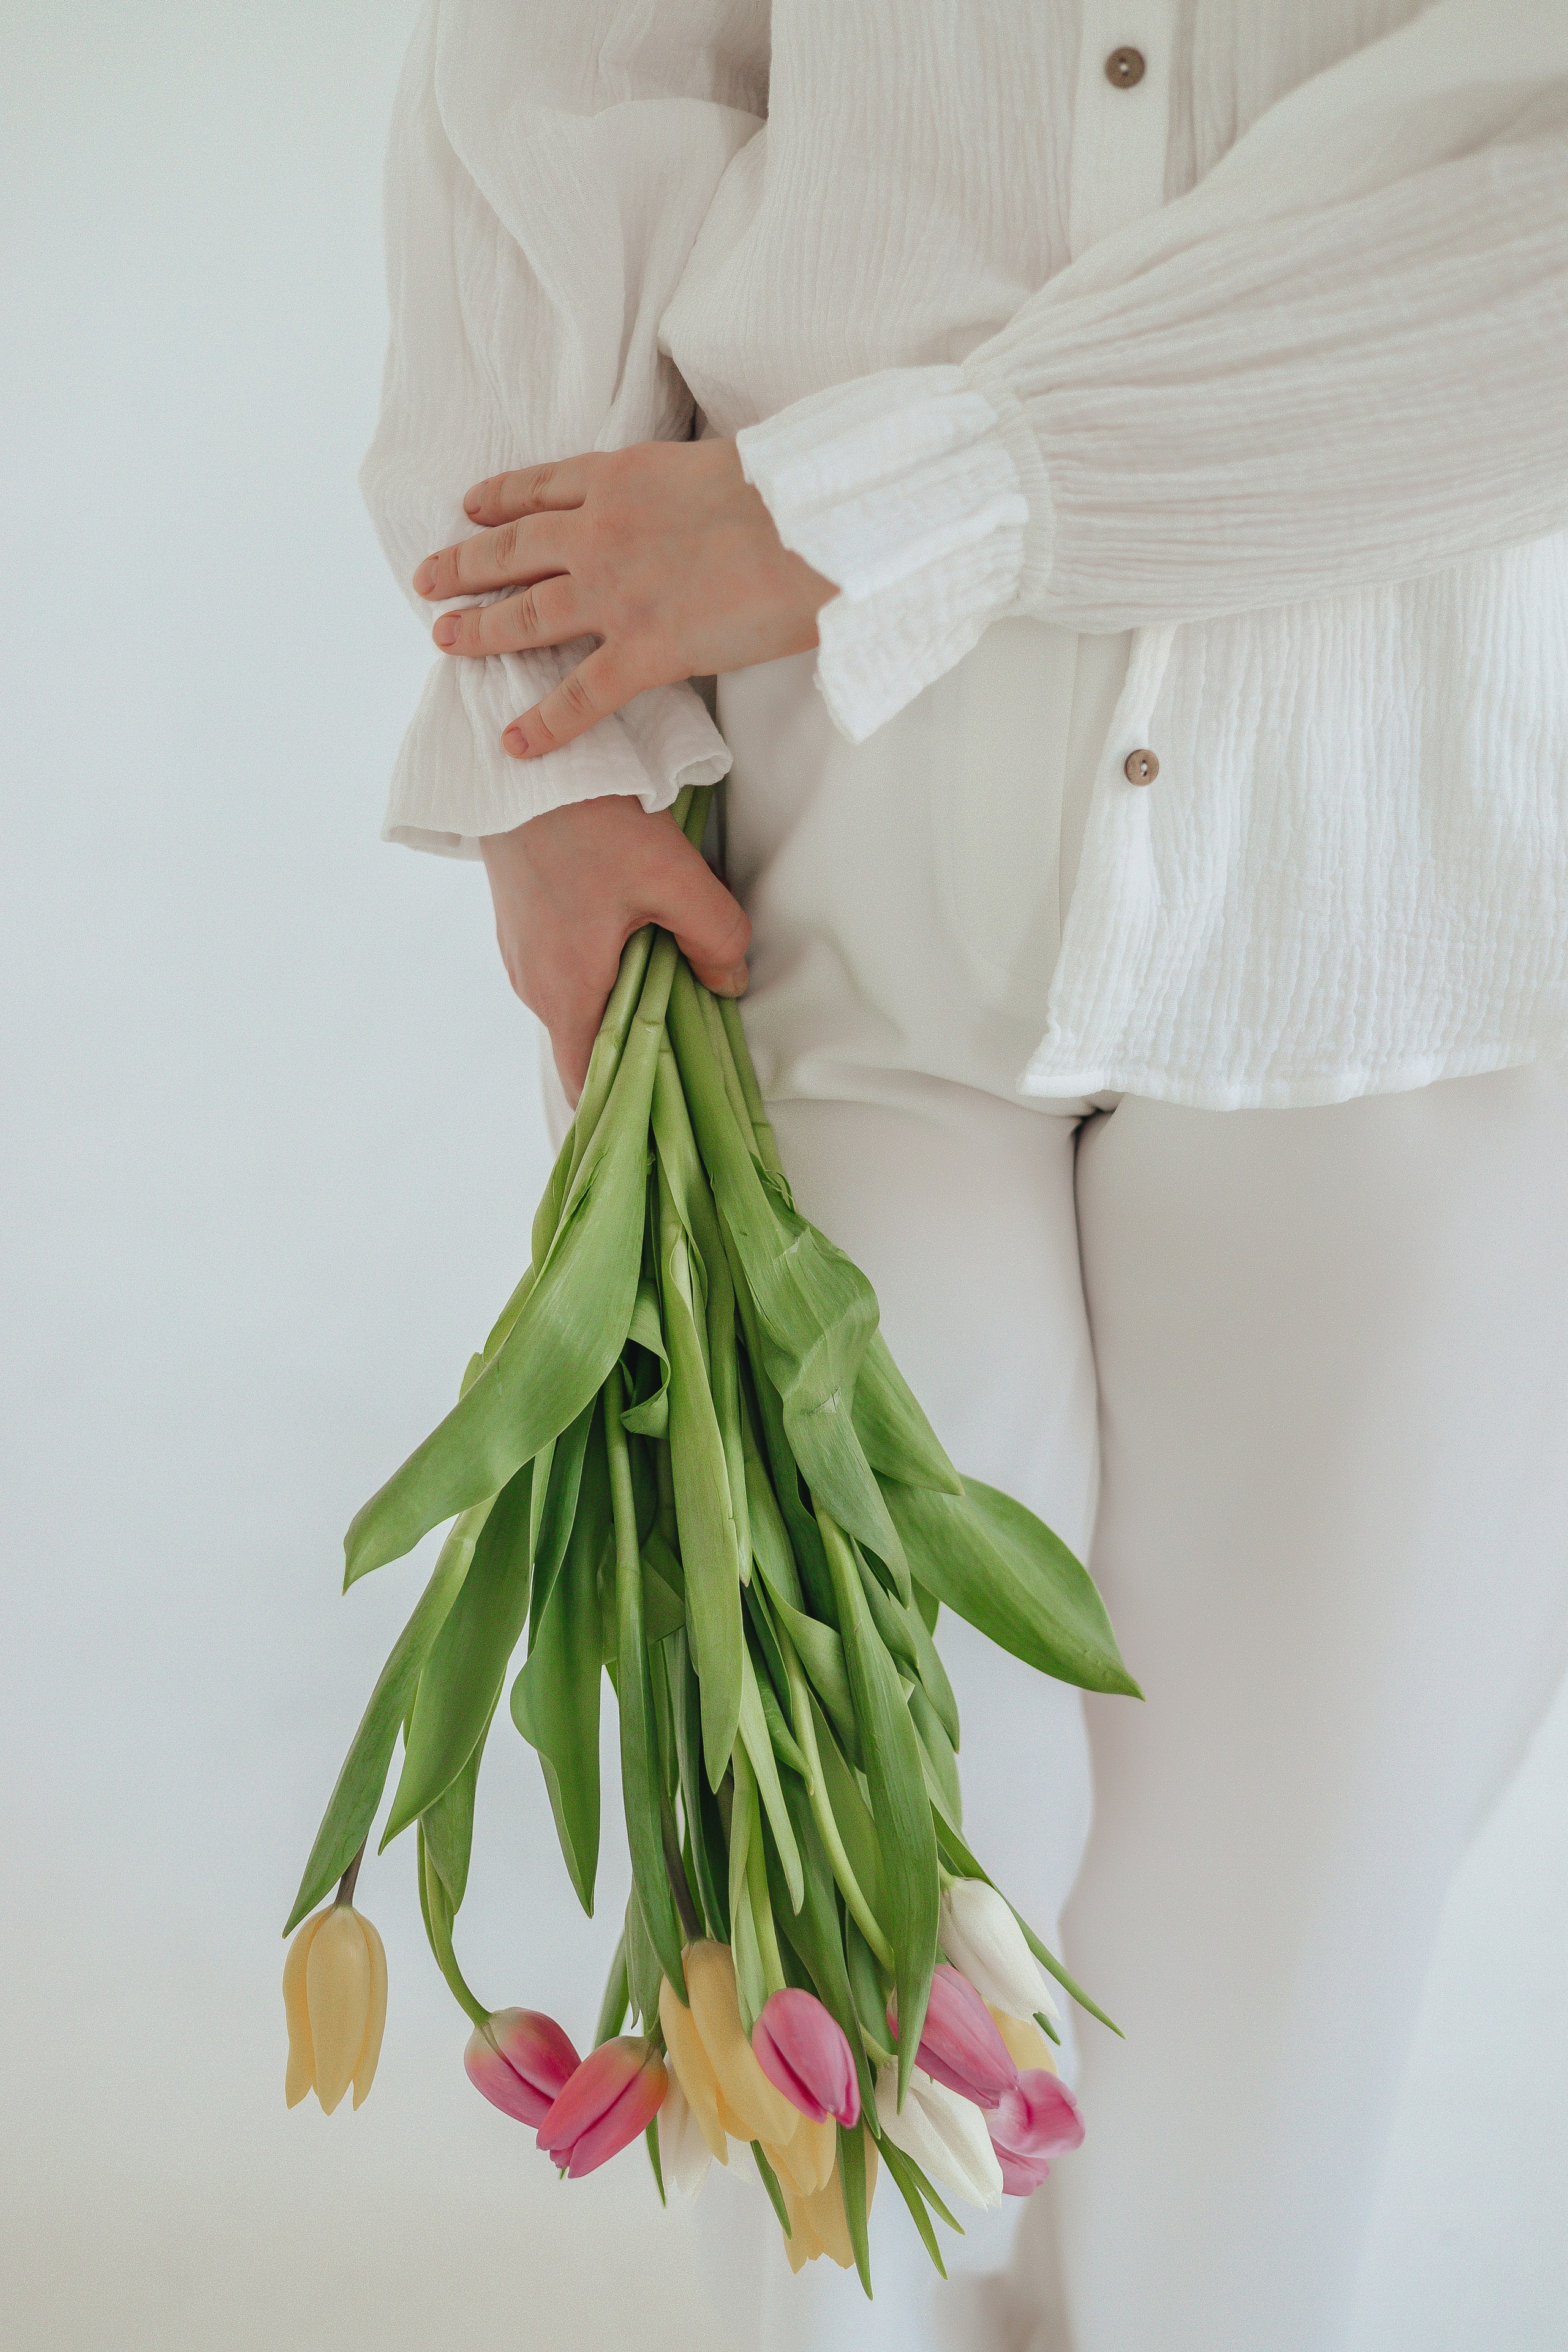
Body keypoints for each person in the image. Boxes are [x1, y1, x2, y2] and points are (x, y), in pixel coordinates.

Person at [359, 4, 1568, 2347]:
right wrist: (547, 750)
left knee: (1270, 1951)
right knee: (826, 1875)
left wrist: (917, 498)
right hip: (825, 851)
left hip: (1403, 891)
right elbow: (565, 57)